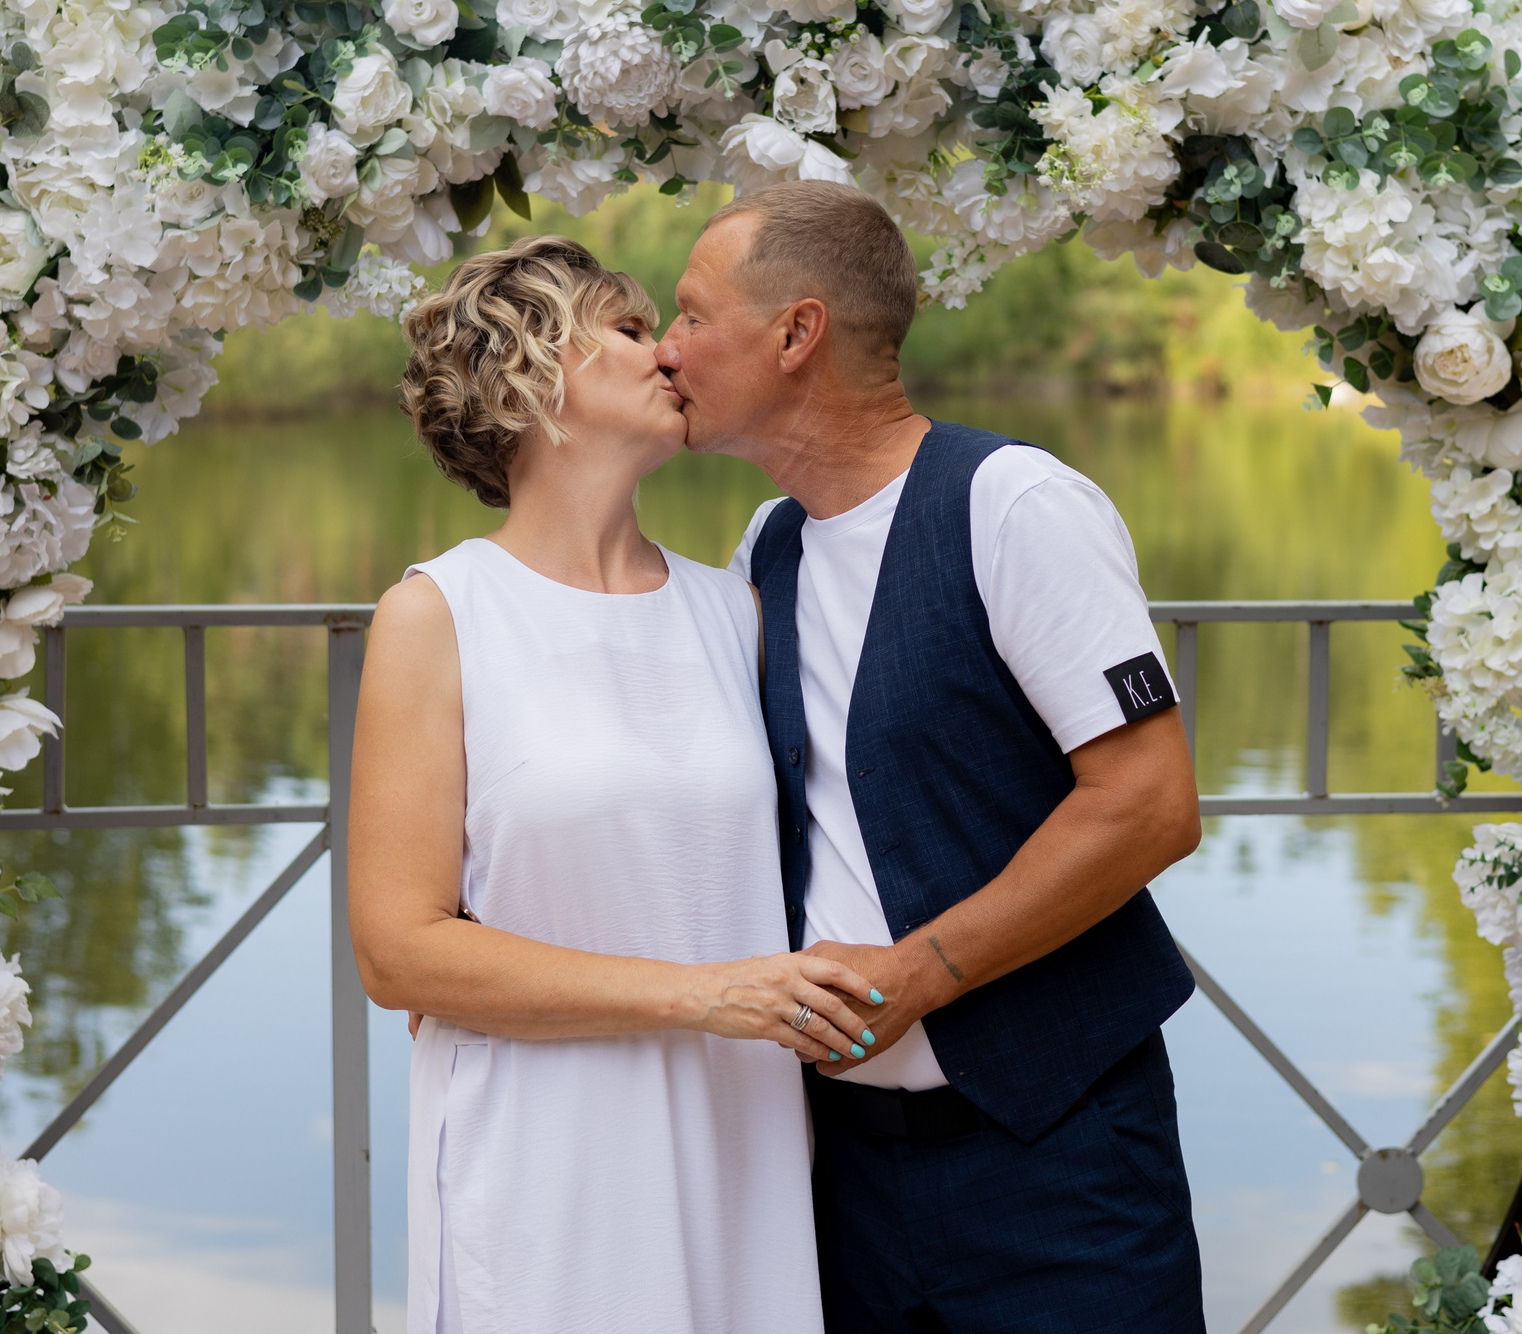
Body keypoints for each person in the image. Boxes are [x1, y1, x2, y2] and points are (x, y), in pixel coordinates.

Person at [655, 180, 1209, 1333]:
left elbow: (1150, 806)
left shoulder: (1014, 506)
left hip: (1057, 1165)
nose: (667, 350)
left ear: (796, 333)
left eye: (693, 316)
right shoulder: (771, 545)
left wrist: (923, 973)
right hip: (842, 1177)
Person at [345, 236, 881, 1334]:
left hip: (744, 1143)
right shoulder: (440, 615)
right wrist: (700, 997)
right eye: (632, 332)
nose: (670, 356)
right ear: (533, 376)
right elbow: (398, 952)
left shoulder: (735, 610)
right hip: (546, 1157)